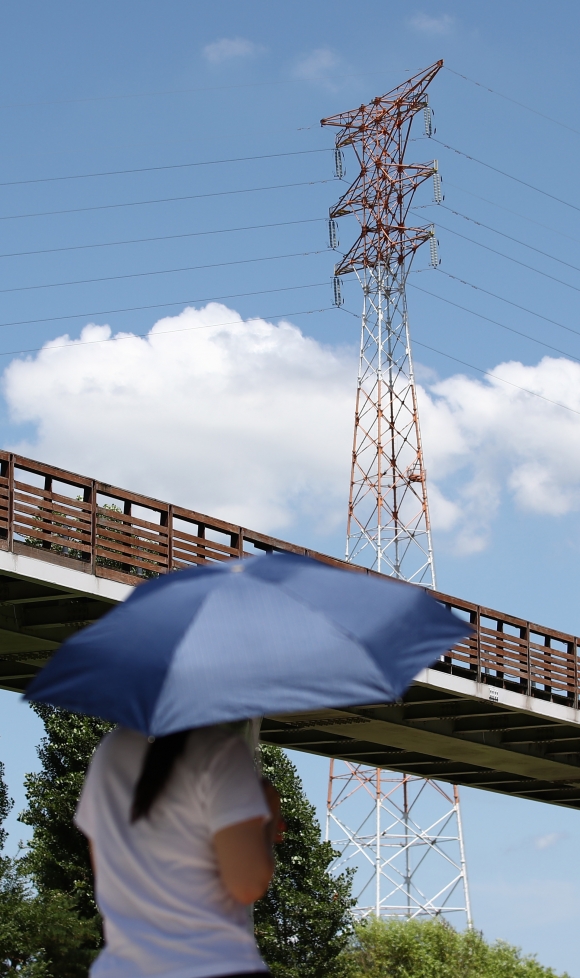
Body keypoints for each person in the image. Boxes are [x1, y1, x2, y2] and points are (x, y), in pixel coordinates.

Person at [75, 723, 284, 978]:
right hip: (216, 965)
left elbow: (104, 867)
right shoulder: (221, 749)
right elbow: (248, 884)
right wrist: (268, 817)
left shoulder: (111, 749)